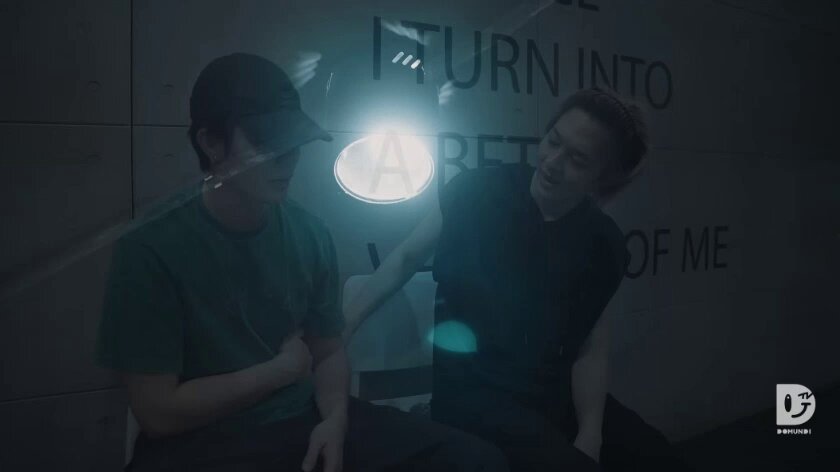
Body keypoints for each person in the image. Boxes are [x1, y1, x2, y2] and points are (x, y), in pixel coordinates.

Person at [96, 53, 509, 472]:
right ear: (211, 143)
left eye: (293, 141)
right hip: (203, 439)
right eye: (266, 143)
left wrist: (335, 420)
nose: (288, 158)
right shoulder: (151, 248)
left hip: (301, 416)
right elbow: (158, 412)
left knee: (475, 461)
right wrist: (279, 371)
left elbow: (328, 351)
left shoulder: (308, 232)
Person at [344, 88, 695, 470]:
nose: (553, 163)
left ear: (602, 176)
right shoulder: (476, 191)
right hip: (471, 395)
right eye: (553, 141)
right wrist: (339, 330)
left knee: (659, 458)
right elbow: (405, 259)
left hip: (552, 396)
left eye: (577, 159)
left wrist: (591, 433)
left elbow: (591, 347)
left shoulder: (602, 243)